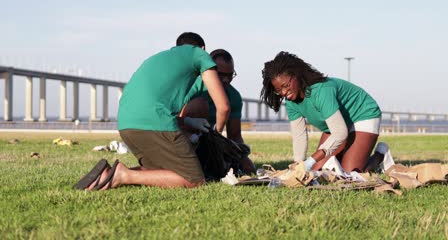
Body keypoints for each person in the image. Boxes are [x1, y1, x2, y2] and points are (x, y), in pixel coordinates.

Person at [73, 32, 230, 190]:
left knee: (159, 172)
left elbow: (152, 105)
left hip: (126, 125)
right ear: (203, 48)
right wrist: (216, 135)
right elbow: (223, 107)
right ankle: (123, 175)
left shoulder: (158, 59)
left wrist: (189, 121)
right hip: (154, 124)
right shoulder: (199, 54)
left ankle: (107, 175)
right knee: (195, 180)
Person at [260, 51, 382, 172]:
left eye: (286, 85)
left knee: (351, 173)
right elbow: (299, 136)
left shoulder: (321, 91)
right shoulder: (291, 102)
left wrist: (311, 160)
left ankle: (380, 156)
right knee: (318, 170)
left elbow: (339, 133)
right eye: (278, 90)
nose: (284, 92)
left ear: (296, 75)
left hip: (363, 114)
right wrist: (298, 165)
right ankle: (344, 156)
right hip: (338, 123)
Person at [182, 49, 256, 175]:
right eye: (221, 75)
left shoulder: (234, 96)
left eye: (230, 75)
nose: (226, 79)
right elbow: (176, 121)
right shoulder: (192, 89)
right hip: (186, 140)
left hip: (211, 143)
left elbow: (235, 136)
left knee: (248, 168)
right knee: (200, 105)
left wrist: (241, 155)